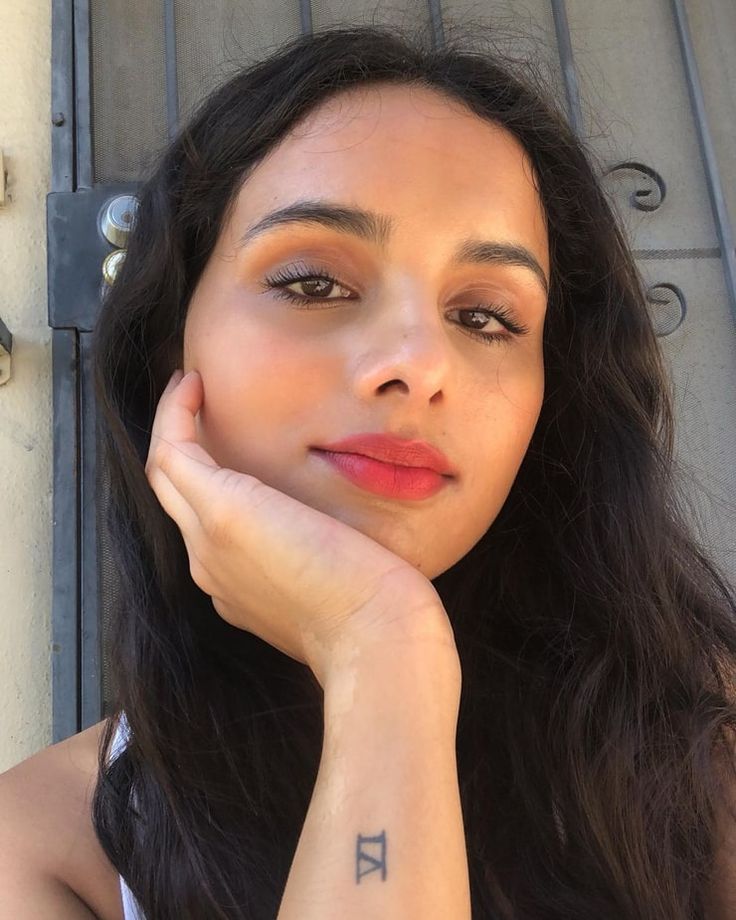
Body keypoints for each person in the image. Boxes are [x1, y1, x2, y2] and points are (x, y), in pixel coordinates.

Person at [2, 20, 736, 920]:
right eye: (313, 282)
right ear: (170, 344)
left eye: (486, 317)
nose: (417, 362)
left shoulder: (700, 742)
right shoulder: (42, 849)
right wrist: (381, 655)